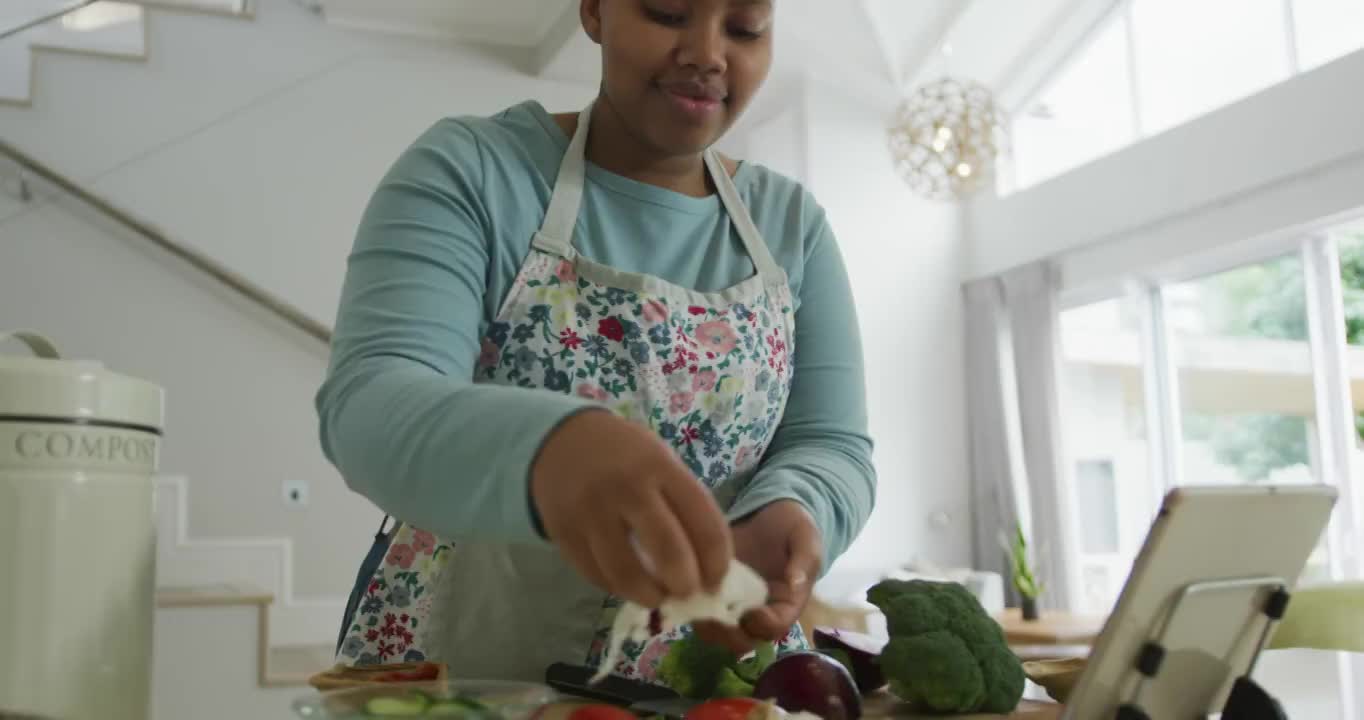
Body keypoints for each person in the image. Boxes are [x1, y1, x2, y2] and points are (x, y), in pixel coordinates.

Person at [316, 0, 875, 684]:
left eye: (744, 28)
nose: (708, 52)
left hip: (711, 682)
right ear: (594, 11)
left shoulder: (793, 225)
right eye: (669, 12)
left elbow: (833, 443)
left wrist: (795, 506)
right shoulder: (475, 170)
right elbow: (370, 402)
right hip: (471, 664)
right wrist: (551, 450)